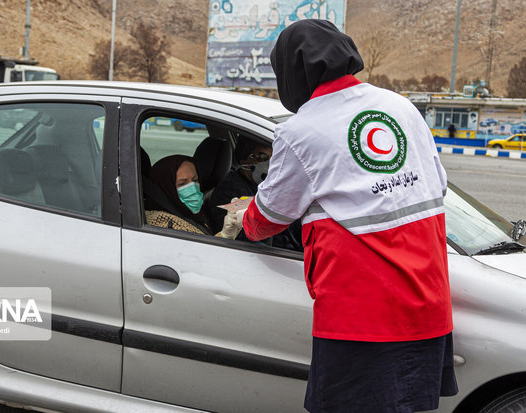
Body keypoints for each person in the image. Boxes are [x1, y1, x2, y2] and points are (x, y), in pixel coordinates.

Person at [239, 19, 457, 412]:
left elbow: (269, 217)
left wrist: (241, 218)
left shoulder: (301, 131)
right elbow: (436, 186)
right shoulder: (399, 106)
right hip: (428, 302)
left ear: (291, 71)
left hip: (361, 319)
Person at [145, 154, 240, 238]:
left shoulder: (185, 213)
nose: (193, 189)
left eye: (195, 180)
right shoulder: (163, 225)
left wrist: (226, 234)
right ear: (166, 188)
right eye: (182, 183)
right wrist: (225, 236)